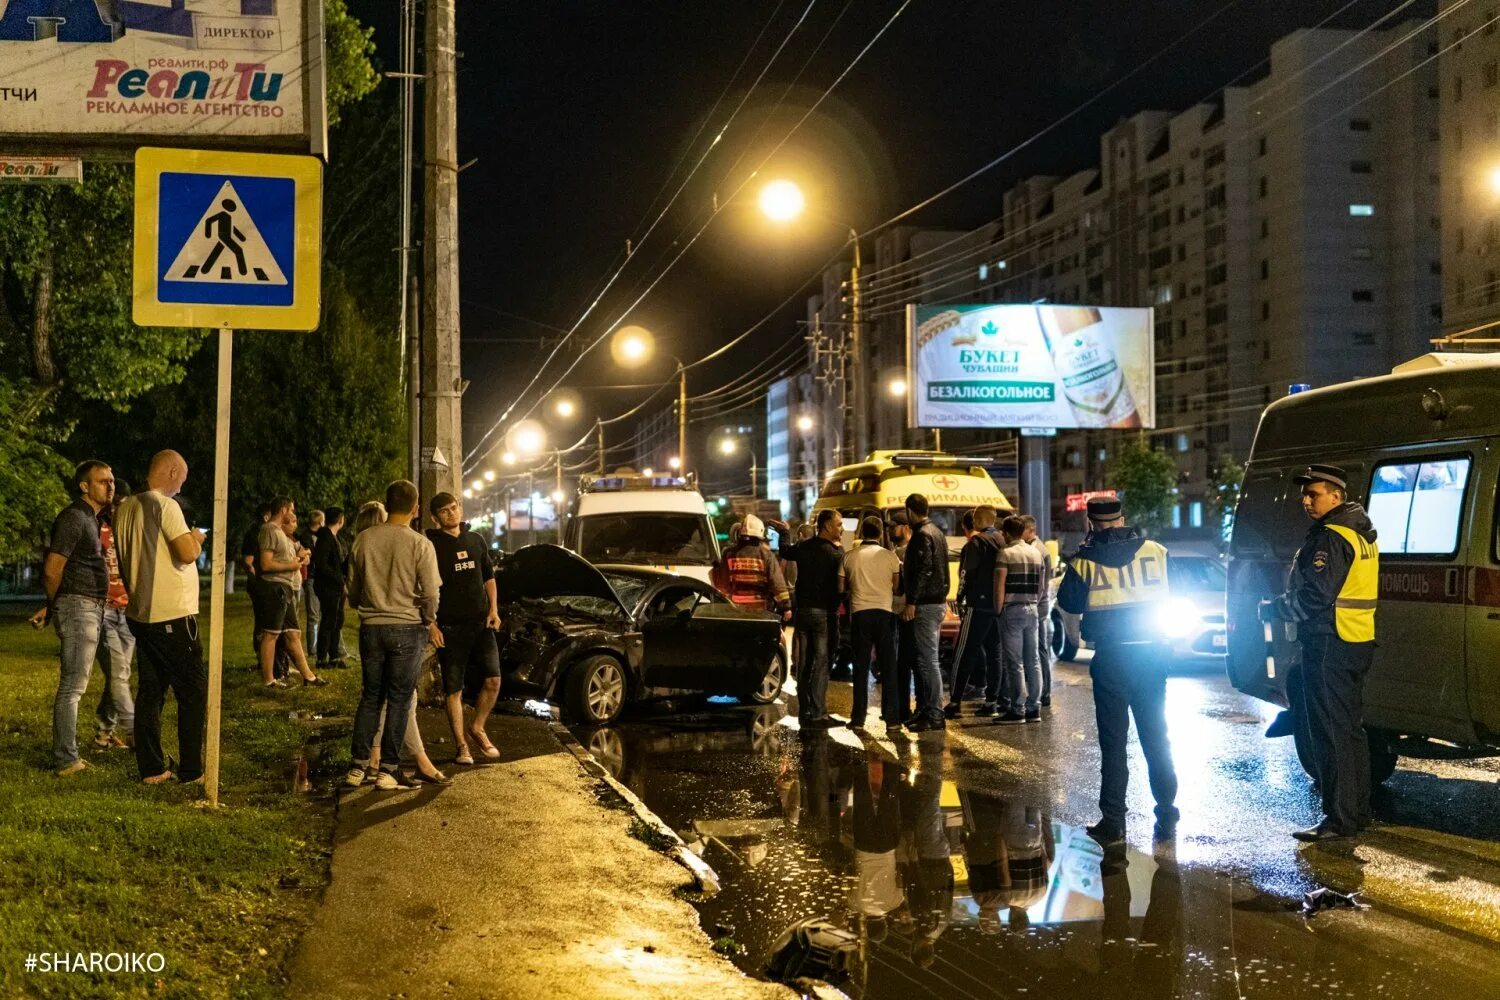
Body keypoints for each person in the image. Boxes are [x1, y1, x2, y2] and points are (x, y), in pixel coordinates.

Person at [1262, 464, 1379, 842]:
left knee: (1330, 732)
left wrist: (1273, 608)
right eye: (1305, 494)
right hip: (1356, 641)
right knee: (1350, 732)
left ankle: (1338, 821)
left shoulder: (1330, 537)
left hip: (1328, 641)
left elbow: (1315, 595)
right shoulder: (1361, 533)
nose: (1306, 500)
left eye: (1314, 494)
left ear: (1336, 496)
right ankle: (1357, 812)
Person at [1057, 495, 1178, 845]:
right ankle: (1167, 810)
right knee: (1156, 734)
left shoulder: (1085, 560)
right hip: (1152, 654)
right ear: (1123, 519)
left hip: (1112, 657)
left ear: (1091, 523)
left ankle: (1114, 821)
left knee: (1114, 743)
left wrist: (1085, 551)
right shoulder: (1156, 550)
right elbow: (1177, 588)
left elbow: (1069, 603)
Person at [113, 450, 208, 785]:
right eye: (182, 478)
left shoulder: (124, 508)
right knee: (193, 691)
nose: (182, 487)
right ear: (170, 472)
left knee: (151, 692)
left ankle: (152, 768)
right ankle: (193, 770)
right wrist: (196, 539)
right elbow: (185, 553)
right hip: (171, 613)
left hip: (141, 613)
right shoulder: (166, 506)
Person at [345, 480, 443, 791]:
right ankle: (389, 770)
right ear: (415, 508)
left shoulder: (363, 540)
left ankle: (358, 767)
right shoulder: (420, 544)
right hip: (406, 628)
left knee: (370, 697)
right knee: (400, 699)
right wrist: (429, 620)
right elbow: (430, 594)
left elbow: (354, 591)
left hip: (371, 628)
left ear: (387, 506)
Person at [45, 460, 115, 776]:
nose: (110, 486)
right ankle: (66, 759)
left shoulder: (91, 519)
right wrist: (54, 603)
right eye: (102, 481)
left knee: (90, 681)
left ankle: (70, 753)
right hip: (78, 607)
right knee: (73, 685)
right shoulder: (74, 518)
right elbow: (53, 568)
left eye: (112, 481)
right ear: (84, 486)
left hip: (90, 606)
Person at [426, 492, 504, 765]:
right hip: (450, 628)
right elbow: (423, 589)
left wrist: (493, 609)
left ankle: (477, 728)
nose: (451, 513)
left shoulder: (475, 539)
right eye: (444, 511)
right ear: (435, 518)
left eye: (454, 507)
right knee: (454, 690)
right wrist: (431, 625)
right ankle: (461, 746)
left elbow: (489, 577)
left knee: (493, 681)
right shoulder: (430, 545)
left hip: (481, 624)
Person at [770, 509, 844, 729]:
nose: (841, 528)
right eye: (839, 524)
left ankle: (806, 711)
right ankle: (819, 713)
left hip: (803, 613)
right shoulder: (835, 554)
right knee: (821, 663)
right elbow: (841, 588)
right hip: (824, 615)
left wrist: (784, 532)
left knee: (804, 664)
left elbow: (785, 550)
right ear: (827, 526)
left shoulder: (803, 547)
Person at [254, 498, 325, 689]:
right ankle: (269, 680)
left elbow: (299, 551)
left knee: (293, 633)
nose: (293, 513)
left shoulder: (282, 535)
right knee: (271, 634)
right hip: (275, 587)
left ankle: (308, 677)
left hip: (285, 589)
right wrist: (292, 564)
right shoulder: (269, 530)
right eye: (291, 509)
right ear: (283, 510)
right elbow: (266, 564)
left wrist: (302, 556)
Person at [946, 505, 1003, 719]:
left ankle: (954, 702)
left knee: (964, 651)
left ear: (978, 520)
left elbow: (966, 575)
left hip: (977, 604)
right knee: (995, 653)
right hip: (996, 605)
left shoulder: (976, 543)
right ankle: (992, 701)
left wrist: (961, 597)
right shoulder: (1002, 540)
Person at [843, 516, 900, 728]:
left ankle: (858, 719)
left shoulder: (849, 557)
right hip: (885, 614)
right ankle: (892, 719)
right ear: (880, 533)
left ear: (861, 533)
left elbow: (841, 587)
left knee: (860, 667)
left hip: (860, 614)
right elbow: (896, 587)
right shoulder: (890, 557)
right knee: (888, 667)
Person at [93, 483, 137, 751]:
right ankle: (134, 731)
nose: (121, 508)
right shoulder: (96, 529)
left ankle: (103, 733)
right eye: (117, 503)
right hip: (104, 611)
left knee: (119, 674)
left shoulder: (129, 534)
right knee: (119, 674)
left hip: (127, 610)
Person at [900, 493, 949, 732]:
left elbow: (925, 570)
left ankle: (935, 714)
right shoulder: (937, 532)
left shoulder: (921, 535)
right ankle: (927, 711)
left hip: (926, 604)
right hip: (937, 602)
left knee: (928, 661)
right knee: (927, 659)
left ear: (910, 511)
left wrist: (912, 601)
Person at [994, 515, 1044, 725]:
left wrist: (998, 610)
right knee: (1033, 660)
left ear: (1006, 533)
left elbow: (1000, 585)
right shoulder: (1036, 553)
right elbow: (1042, 586)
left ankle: (1017, 709)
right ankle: (1034, 707)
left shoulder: (1004, 553)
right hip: (1032, 609)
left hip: (1011, 609)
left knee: (1015, 663)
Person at [711, 514, 790, 614]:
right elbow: (777, 583)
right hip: (760, 609)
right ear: (760, 535)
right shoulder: (767, 555)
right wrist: (786, 607)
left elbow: (723, 583)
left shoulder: (729, 554)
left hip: (735, 608)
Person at [1021, 515, 1055, 708]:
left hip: (1038, 604)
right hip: (1041, 603)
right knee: (1040, 649)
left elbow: (1041, 584)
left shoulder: (1036, 550)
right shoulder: (1040, 548)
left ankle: (1044, 692)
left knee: (1039, 649)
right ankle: (1044, 692)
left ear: (1031, 530)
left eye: (1023, 531)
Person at [888, 512, 916, 726]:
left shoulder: (910, 552)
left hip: (908, 613)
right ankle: (901, 708)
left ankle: (906, 710)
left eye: (894, 526)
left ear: (906, 527)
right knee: (899, 664)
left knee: (907, 662)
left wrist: (909, 605)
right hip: (895, 612)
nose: (890, 530)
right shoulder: (894, 552)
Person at [311, 507, 348, 668]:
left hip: (336, 586)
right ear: (341, 520)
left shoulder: (333, 538)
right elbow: (322, 563)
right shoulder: (326, 538)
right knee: (329, 620)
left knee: (337, 620)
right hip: (328, 587)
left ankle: (334, 655)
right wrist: (337, 577)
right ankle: (322, 657)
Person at [301, 509, 325, 654]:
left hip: (319, 577)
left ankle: (319, 647)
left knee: (319, 614)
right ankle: (313, 649)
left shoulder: (320, 536)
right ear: (320, 521)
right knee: (313, 615)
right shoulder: (305, 537)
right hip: (311, 578)